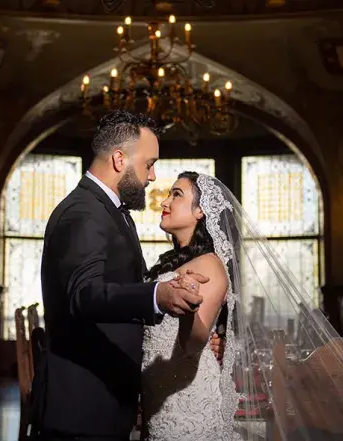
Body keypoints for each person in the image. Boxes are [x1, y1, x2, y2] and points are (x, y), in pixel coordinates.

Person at [140, 171, 343, 441]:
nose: (164, 202)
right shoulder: (173, 262)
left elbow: (193, 342)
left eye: (177, 195)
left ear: (200, 211)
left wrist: (189, 309)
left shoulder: (209, 266)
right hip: (159, 391)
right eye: (168, 194)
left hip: (184, 401)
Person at [31, 110, 216, 441]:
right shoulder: (84, 212)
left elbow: (120, 292)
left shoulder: (111, 211)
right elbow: (84, 294)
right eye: (149, 164)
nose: (153, 176)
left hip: (105, 400)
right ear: (119, 159)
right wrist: (155, 295)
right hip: (83, 405)